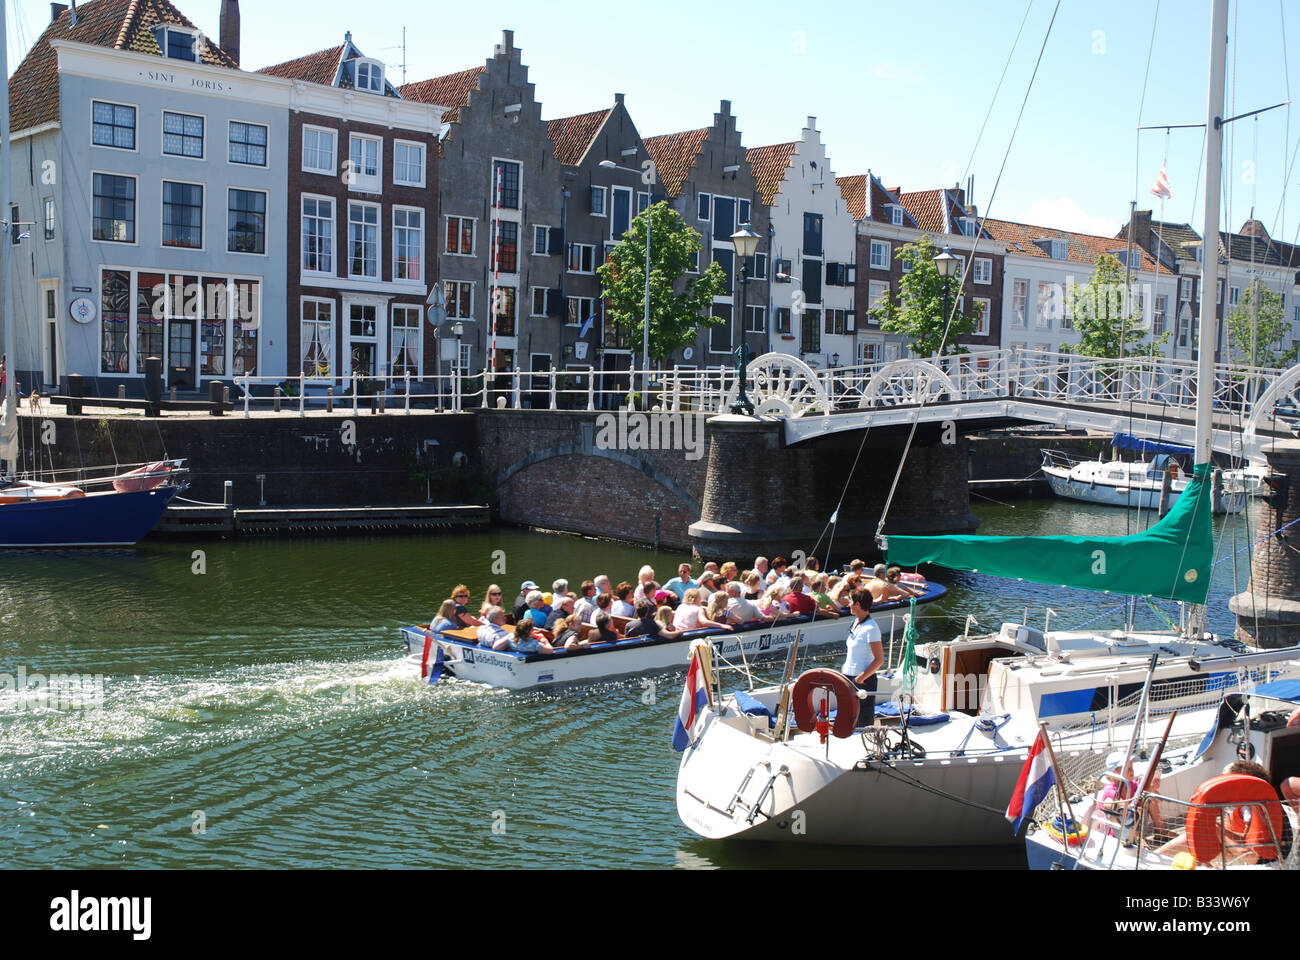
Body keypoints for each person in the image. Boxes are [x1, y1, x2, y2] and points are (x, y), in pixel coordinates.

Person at [843, 589, 883, 726]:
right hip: (849, 677)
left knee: (862, 721)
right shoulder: (856, 623)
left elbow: (879, 659)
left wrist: (861, 678)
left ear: (858, 604)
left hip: (863, 681)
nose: (849, 604)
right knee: (848, 717)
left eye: (851, 601)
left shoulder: (871, 628)